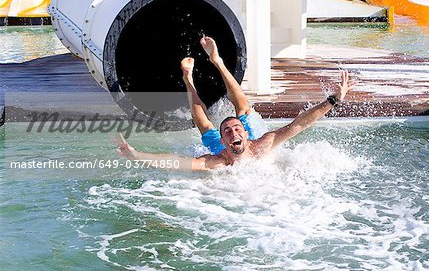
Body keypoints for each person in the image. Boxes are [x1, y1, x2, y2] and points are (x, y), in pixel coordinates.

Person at [114, 36, 353, 170]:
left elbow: (299, 125)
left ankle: (216, 62)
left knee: (241, 111)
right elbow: (176, 162)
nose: (232, 132)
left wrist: (333, 100)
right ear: (225, 141)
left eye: (237, 129)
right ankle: (189, 80)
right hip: (219, 146)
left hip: (251, 136)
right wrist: (136, 155)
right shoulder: (216, 160)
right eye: (228, 131)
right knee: (207, 127)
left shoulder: (262, 144)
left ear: (246, 136)